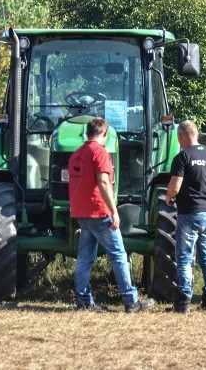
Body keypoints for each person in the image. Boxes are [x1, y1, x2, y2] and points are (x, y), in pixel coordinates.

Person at [69, 117, 154, 313]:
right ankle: (130, 301)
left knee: (84, 259)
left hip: (82, 212)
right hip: (100, 212)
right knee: (118, 256)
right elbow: (104, 182)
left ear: (87, 133)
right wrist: (114, 210)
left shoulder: (76, 155)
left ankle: (83, 301)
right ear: (105, 134)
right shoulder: (100, 152)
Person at [166, 120, 206, 313]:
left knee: (185, 258)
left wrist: (169, 197)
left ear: (180, 136)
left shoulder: (182, 157)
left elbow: (175, 186)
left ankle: (183, 302)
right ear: (197, 134)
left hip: (189, 213)